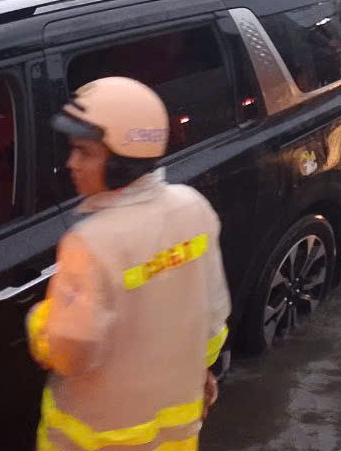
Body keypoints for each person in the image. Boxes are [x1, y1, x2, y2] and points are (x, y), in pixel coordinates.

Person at [28, 77, 231, 451]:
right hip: (176, 434)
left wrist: (40, 322)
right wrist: (198, 369)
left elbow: (70, 351)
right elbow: (214, 315)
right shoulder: (193, 206)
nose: (71, 163)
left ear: (121, 163)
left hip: (93, 437)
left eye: (85, 152)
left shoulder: (90, 243)